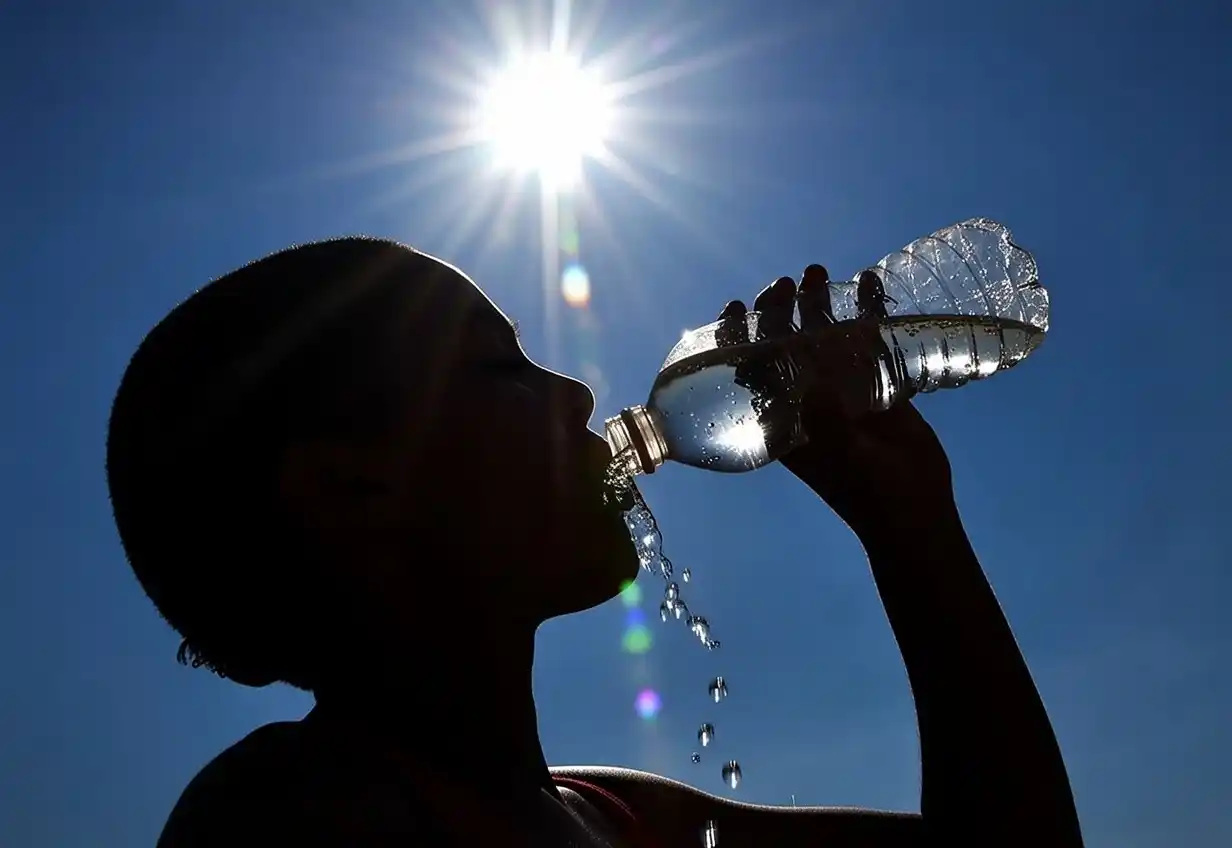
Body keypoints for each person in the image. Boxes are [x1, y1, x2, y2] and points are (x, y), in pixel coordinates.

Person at [106, 239, 1084, 847]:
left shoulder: (611, 815)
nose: (573, 394)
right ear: (354, 482)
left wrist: (908, 522)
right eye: (497, 368)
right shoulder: (291, 814)